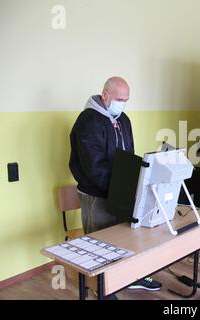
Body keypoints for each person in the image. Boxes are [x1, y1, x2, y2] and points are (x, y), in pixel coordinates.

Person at [69, 77, 162, 296]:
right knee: (99, 245)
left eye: (126, 100)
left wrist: (132, 185)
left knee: (124, 242)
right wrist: (119, 190)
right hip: (97, 195)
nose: (123, 104)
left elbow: (128, 155)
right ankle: (101, 291)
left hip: (121, 193)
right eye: (120, 99)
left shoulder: (123, 119)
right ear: (105, 95)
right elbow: (94, 166)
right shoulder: (88, 121)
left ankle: (130, 278)